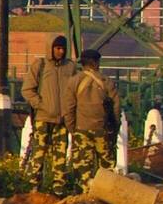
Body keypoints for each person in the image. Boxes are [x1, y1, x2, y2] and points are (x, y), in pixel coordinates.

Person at [61, 49, 118, 194]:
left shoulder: (74, 81)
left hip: (82, 129)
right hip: (103, 130)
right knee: (107, 167)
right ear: (96, 63)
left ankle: (84, 196)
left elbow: (68, 108)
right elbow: (116, 108)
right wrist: (114, 129)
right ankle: (106, 196)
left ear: (83, 63)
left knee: (83, 167)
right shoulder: (107, 82)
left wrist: (73, 129)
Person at [21, 35, 78, 166]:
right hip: (43, 119)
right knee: (38, 158)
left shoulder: (70, 67)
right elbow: (27, 90)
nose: (61, 51)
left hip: (62, 120)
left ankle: (58, 180)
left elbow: (76, 91)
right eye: (57, 48)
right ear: (50, 48)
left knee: (60, 161)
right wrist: (41, 105)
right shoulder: (40, 65)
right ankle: (33, 180)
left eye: (63, 48)